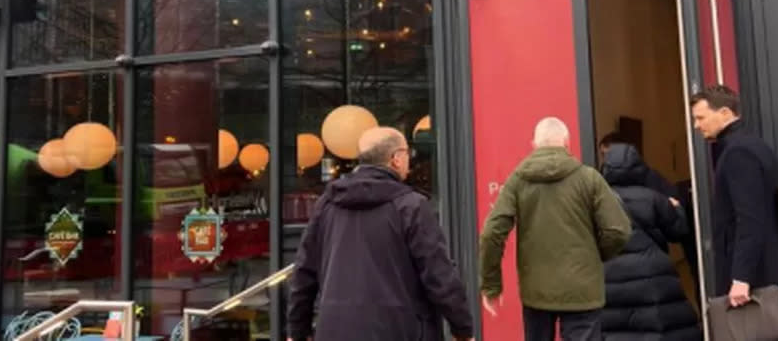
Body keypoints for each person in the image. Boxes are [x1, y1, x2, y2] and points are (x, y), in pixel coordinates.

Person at [287, 126, 475, 341]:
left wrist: (297, 330)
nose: (409, 160)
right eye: (407, 153)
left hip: (336, 330)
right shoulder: (411, 206)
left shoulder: (327, 204)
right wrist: (462, 329)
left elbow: (304, 272)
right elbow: (438, 274)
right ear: (395, 159)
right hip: (401, 329)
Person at [479, 117, 632, 341]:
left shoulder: (518, 180)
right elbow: (619, 230)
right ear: (567, 143)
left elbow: (492, 233)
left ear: (534, 145)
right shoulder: (589, 178)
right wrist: (595, 254)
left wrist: (491, 285)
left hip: (536, 293)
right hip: (582, 290)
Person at [690, 85, 778, 306]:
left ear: (725, 113)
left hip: (754, 276)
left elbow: (749, 218)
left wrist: (742, 277)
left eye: (701, 118)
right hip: (765, 266)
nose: (696, 125)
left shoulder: (738, 153)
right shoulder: (751, 145)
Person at [600, 143, 701, 340]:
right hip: (651, 279)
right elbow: (678, 231)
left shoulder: (595, 202)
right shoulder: (653, 199)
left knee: (618, 331)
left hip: (610, 279)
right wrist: (677, 208)